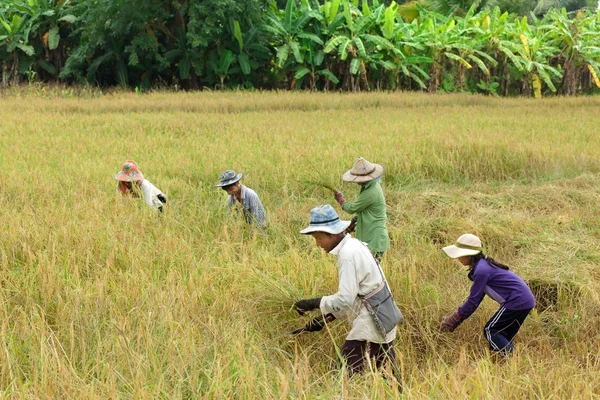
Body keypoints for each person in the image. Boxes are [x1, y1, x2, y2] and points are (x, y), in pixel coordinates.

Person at [293, 204, 398, 376]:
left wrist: (313, 303)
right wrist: (324, 319)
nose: (317, 244)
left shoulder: (347, 255)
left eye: (318, 238)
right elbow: (359, 293)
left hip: (372, 318)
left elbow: (345, 299)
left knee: (345, 374)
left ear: (333, 233)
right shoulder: (355, 245)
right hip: (383, 313)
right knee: (387, 373)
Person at [439, 234, 536, 357]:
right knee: (501, 335)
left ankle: (513, 359)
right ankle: (503, 363)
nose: (458, 258)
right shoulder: (483, 266)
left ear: (469, 255)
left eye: (460, 255)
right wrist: (456, 320)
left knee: (490, 330)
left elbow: (472, 302)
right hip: (524, 300)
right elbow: (476, 300)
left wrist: (453, 319)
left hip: (516, 301)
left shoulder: (481, 271)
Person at [333, 157, 390, 262]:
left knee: (370, 271)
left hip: (374, 238)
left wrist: (341, 200)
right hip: (370, 235)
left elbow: (351, 208)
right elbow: (365, 211)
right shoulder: (371, 187)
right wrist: (354, 221)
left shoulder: (371, 192)